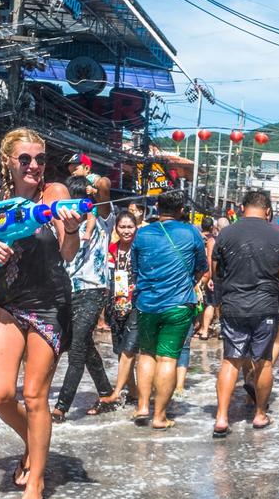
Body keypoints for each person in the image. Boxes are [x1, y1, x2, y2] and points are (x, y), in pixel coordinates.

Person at [0, 128, 83, 499]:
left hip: (50, 303)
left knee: (34, 396)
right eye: (25, 159)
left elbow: (67, 253)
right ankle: (34, 445)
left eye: (40, 159)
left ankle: (35, 482)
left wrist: (72, 227)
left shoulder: (56, 195)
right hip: (8, 301)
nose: (34, 166)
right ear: (8, 162)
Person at [212, 190, 279, 435]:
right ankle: (260, 415)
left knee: (230, 361)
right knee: (263, 363)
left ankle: (222, 418)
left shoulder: (226, 233)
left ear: (241, 208)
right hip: (265, 306)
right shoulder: (278, 236)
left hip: (233, 304)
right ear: (268, 211)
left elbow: (216, 271)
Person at [129, 189, 207, 429]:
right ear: (182, 210)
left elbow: (135, 268)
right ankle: (159, 416)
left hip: (147, 303)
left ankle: (142, 406)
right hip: (178, 305)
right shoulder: (191, 233)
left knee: (146, 353)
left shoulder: (142, 235)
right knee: (168, 358)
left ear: (157, 207)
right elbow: (201, 267)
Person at [53, 175, 114, 421]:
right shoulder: (64, 221)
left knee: (77, 347)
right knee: (84, 345)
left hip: (94, 290)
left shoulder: (102, 217)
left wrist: (90, 179)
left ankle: (61, 406)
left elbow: (105, 186)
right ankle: (107, 394)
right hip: (68, 290)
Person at [91, 211, 139, 414]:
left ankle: (117, 391)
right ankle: (135, 392)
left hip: (137, 303)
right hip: (115, 304)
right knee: (121, 350)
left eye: (130, 227)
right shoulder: (111, 249)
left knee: (129, 348)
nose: (126, 231)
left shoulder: (140, 249)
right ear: (116, 228)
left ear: (136, 227)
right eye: (122, 227)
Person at [196, 217, 218, 340]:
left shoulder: (196, 236)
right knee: (208, 302)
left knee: (199, 300)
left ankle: (198, 326)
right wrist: (210, 276)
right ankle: (202, 329)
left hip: (196, 272)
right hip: (206, 274)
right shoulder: (211, 240)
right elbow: (210, 259)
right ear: (211, 227)